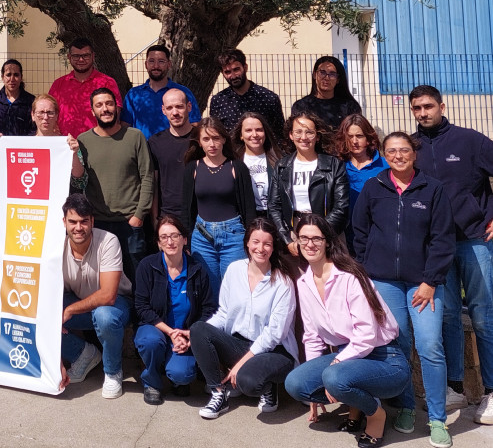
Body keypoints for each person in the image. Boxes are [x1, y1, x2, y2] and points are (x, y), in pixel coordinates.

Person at [352, 131, 455, 448]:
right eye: (391, 150)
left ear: (414, 153)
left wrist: (430, 281)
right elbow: (359, 232)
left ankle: (437, 419)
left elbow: (442, 239)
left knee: (429, 347)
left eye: (404, 150)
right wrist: (367, 272)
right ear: (384, 153)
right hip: (384, 281)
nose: (398, 155)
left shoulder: (432, 189)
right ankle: (407, 408)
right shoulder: (374, 187)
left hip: (423, 283)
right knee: (398, 346)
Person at [284, 214, 410, 448]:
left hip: (385, 359)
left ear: (328, 242)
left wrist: (333, 369)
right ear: (297, 243)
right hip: (346, 358)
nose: (309, 244)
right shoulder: (304, 283)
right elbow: (311, 336)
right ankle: (356, 404)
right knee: (296, 383)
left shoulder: (349, 276)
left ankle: (375, 413)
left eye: (316, 238)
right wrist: (313, 387)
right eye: (303, 238)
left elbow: (366, 335)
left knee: (333, 377)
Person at [410, 84, 493, 424]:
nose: (423, 113)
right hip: (434, 248)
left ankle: (490, 392)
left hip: (474, 240)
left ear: (442, 106)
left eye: (428, 106)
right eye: (416, 108)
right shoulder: (410, 147)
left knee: (484, 316)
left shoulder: (470, 141)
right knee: (446, 318)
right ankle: (454, 387)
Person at [191, 218, 298, 418]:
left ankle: (268, 385)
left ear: (273, 247)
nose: (261, 248)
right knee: (198, 329)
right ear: (247, 243)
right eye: (255, 242)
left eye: (267, 243)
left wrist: (240, 365)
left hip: (276, 351)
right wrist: (194, 337)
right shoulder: (234, 270)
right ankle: (218, 393)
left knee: (248, 382)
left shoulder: (283, 281)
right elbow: (224, 313)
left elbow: (275, 334)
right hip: (240, 343)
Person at [134, 215, 217, 405]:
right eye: (164, 237)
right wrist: (170, 332)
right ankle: (152, 382)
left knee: (183, 375)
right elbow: (141, 307)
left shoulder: (197, 269)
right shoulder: (147, 266)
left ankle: (175, 374)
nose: (170, 241)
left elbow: (208, 309)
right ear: (158, 243)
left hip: (184, 333)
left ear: (184, 239)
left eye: (175, 235)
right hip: (157, 329)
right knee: (150, 341)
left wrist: (190, 335)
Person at [60, 194, 133, 399]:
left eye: (84, 221)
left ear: (92, 221)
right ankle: (82, 354)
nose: (78, 227)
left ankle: (112, 372)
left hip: (117, 305)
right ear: (64, 222)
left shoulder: (108, 240)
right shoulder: (57, 246)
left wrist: (69, 310)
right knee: (38, 308)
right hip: (81, 304)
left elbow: (109, 295)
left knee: (104, 316)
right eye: (72, 221)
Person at [78, 87, 153, 284]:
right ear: (92, 110)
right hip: (98, 224)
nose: (105, 109)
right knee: (99, 281)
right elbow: (78, 179)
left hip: (130, 223)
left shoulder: (135, 137)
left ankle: (142, 316)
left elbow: (147, 177)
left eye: (109, 104)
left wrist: (139, 216)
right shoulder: (83, 141)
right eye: (99, 105)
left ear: (117, 107)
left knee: (138, 280)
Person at [181, 117, 257, 296]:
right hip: (202, 237)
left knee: (235, 289)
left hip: (234, 236)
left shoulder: (237, 167)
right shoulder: (192, 168)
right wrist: (186, 238)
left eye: (216, 138)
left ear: (224, 139)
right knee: (209, 289)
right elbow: (186, 208)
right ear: (199, 142)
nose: (212, 144)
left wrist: (251, 238)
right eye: (206, 139)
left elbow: (249, 208)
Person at [268, 112, 349, 258]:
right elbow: (274, 206)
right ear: (291, 135)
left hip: (327, 231)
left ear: (317, 137)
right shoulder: (281, 166)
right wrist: (287, 239)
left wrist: (319, 234)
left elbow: (341, 207)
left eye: (309, 132)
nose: (303, 137)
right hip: (294, 233)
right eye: (298, 132)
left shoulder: (333, 165)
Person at [121, 45, 201, 139]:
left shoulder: (183, 92)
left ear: (169, 64)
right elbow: (124, 126)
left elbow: (195, 124)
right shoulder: (133, 95)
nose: (156, 66)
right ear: (146, 64)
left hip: (175, 150)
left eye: (161, 61)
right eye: (151, 61)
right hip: (142, 151)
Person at [49, 37, 123, 138]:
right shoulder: (58, 85)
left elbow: (115, 114)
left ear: (93, 56)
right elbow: (49, 112)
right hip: (66, 145)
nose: (81, 59)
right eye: (76, 56)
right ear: (69, 57)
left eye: (85, 55)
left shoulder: (107, 82)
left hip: (98, 143)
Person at [335, 114, 388, 253]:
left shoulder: (385, 166)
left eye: (359, 136)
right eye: (350, 136)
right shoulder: (337, 167)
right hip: (345, 236)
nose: (354, 141)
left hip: (376, 235)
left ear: (369, 138)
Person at [209, 49, 285, 146]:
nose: (233, 76)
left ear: (245, 67)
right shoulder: (218, 101)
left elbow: (279, 133)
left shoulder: (268, 97)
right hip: (232, 157)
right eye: (227, 72)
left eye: (236, 70)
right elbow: (217, 134)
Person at [148, 88, 195, 220]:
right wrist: (155, 218)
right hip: (168, 215)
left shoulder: (201, 139)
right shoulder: (155, 142)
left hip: (200, 215)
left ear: (189, 107)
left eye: (179, 107)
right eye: (169, 108)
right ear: (163, 110)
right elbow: (154, 184)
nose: (175, 113)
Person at [31, 94, 87, 192]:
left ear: (57, 115)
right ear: (33, 115)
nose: (45, 117)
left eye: (50, 113)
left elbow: (80, 182)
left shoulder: (68, 144)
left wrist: (73, 154)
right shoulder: (24, 145)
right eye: (40, 112)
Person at [291, 56, 362, 132]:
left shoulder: (350, 107)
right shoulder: (301, 106)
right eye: (322, 72)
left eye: (332, 74)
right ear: (315, 75)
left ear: (338, 79)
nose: (326, 78)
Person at [232, 112, 282, 219]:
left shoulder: (279, 160)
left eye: (259, 130)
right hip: (245, 220)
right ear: (241, 135)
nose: (254, 135)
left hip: (273, 219)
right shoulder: (233, 162)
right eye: (248, 130)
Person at [0, 59, 35, 137]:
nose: (12, 79)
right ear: (2, 77)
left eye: (16, 75)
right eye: (8, 75)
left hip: (22, 148)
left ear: (21, 77)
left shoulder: (31, 101)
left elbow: (35, 130)